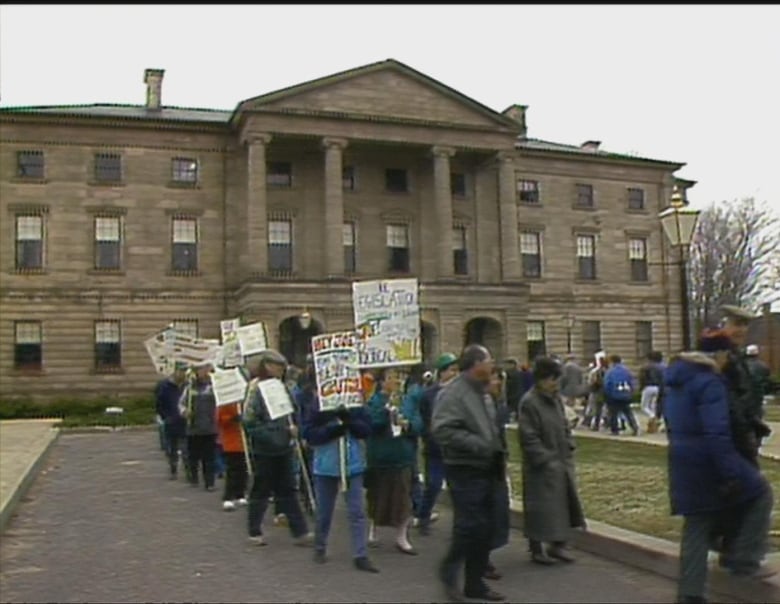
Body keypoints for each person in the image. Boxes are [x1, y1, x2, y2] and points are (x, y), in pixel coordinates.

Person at [663, 329, 774, 604]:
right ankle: (743, 560)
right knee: (761, 492)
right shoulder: (709, 382)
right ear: (719, 355)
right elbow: (717, 432)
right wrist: (730, 471)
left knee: (697, 524)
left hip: (681, 458)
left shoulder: (676, 380)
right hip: (709, 458)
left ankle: (689, 593)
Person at [432, 344, 506, 602]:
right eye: (489, 360)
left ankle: (475, 584)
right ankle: (449, 572)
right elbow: (442, 430)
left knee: (485, 527)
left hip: (488, 468)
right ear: (476, 365)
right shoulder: (452, 394)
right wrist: (478, 444)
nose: (493, 365)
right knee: (469, 526)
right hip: (464, 469)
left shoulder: (483, 393)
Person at [517, 357, 586, 566]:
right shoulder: (529, 402)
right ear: (540, 380)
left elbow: (564, 424)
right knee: (540, 507)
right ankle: (536, 547)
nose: (555, 384)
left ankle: (558, 545)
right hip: (541, 466)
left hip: (561, 460)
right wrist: (544, 458)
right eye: (550, 379)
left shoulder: (555, 399)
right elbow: (528, 436)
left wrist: (569, 443)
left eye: (556, 379)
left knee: (563, 506)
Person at [300, 394, 379, 573]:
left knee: (357, 511)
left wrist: (349, 420)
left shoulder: (355, 402)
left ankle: (360, 554)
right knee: (324, 512)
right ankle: (320, 547)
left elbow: (367, 430)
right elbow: (308, 434)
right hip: (326, 466)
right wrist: (332, 430)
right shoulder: (317, 403)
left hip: (353, 465)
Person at [242, 349, 313, 547]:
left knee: (288, 489)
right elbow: (249, 421)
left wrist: (294, 428)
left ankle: (300, 531)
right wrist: (273, 434)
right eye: (277, 366)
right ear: (267, 366)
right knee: (261, 490)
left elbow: (292, 411)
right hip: (264, 449)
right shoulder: (255, 388)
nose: (281, 370)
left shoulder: (284, 387)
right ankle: (254, 530)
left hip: (284, 447)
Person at [365, 367, 421, 555]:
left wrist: (409, 424)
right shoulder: (374, 401)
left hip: (402, 455)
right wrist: (386, 413)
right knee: (377, 496)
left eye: (399, 377)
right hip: (380, 456)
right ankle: (373, 528)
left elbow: (418, 423)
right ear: (382, 381)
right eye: (392, 377)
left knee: (403, 498)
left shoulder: (407, 400)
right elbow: (370, 423)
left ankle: (402, 536)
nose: (396, 381)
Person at [416, 352, 459, 536]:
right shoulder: (429, 395)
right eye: (451, 370)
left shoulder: (460, 393)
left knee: (457, 488)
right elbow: (424, 419)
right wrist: (429, 436)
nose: (455, 373)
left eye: (457, 370)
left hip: (455, 448)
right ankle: (423, 516)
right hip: (435, 449)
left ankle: (460, 525)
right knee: (433, 485)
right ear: (441, 372)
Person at [485, 366, 511, 582]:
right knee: (486, 514)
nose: (498, 383)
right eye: (494, 379)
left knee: (498, 511)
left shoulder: (499, 405)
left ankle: (482, 555)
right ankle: (480, 560)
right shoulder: (479, 406)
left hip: (497, 464)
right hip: (482, 467)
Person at [179, 360, 219, 490]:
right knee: (193, 456)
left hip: (210, 427)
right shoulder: (190, 388)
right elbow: (182, 404)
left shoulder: (214, 387)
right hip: (194, 427)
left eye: (206, 369)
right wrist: (185, 412)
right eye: (201, 369)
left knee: (209, 457)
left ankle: (209, 482)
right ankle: (194, 477)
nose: (204, 372)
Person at [154, 361, 188, 479]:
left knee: (186, 448)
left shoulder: (187, 386)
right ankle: (173, 469)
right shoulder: (164, 386)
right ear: (175, 371)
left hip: (185, 421)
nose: (183, 374)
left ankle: (189, 471)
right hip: (171, 421)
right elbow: (159, 403)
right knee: (171, 448)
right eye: (181, 371)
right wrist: (165, 417)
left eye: (185, 371)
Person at [217, 400, 248, 511]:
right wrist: (233, 418)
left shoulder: (244, 402)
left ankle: (240, 493)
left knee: (243, 469)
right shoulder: (225, 403)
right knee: (232, 470)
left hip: (244, 442)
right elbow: (219, 420)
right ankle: (228, 497)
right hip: (232, 442)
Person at [603, 354, 639, 436]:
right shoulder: (626, 370)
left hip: (614, 394)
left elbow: (607, 384)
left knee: (613, 413)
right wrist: (631, 392)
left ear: (611, 362)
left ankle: (615, 430)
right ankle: (634, 427)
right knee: (628, 412)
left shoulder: (610, 372)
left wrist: (607, 395)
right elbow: (631, 382)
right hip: (625, 394)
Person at [639, 351, 666, 432]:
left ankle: (652, 416)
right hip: (659, 388)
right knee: (654, 406)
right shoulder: (664, 367)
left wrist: (641, 387)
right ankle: (656, 421)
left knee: (644, 406)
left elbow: (642, 378)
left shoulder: (646, 367)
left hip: (648, 387)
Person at [583, 354, 608, 431]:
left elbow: (591, 382)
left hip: (596, 391)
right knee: (602, 408)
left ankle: (590, 423)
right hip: (605, 391)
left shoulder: (596, 371)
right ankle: (604, 423)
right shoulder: (608, 370)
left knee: (594, 408)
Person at [745, 344, 772, 413]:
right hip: (758, 393)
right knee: (757, 412)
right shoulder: (763, 366)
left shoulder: (742, 365)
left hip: (745, 394)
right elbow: (767, 380)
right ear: (757, 353)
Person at [503, 358, 523, 423]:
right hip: (516, 397)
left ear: (512, 365)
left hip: (512, 398)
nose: (505, 366)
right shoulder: (517, 373)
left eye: (507, 364)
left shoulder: (511, 374)